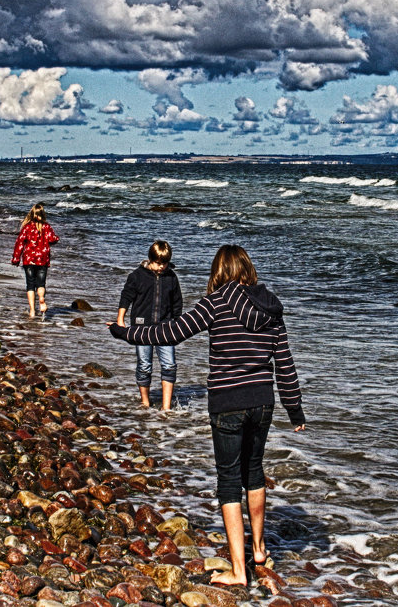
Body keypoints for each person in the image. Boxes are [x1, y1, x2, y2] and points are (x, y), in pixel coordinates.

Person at [109, 244, 305, 585]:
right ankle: (258, 549)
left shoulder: (216, 303)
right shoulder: (272, 307)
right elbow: (285, 363)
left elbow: (169, 332)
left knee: (229, 482)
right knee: (254, 472)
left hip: (228, 401)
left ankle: (239, 571)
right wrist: (295, 408)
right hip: (263, 402)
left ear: (219, 272)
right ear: (248, 268)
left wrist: (125, 333)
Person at [115, 240, 183, 410]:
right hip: (141, 327)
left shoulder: (171, 278)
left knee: (169, 365)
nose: (161, 267)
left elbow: (177, 303)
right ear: (150, 259)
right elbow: (126, 297)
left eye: (164, 263)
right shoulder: (137, 276)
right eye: (158, 263)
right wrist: (120, 319)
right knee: (144, 365)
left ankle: (166, 407)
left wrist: (176, 324)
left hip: (165, 328)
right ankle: (145, 401)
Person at [11, 203, 59, 318]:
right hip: (42, 259)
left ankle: (32, 310)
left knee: (30, 285)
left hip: (29, 259)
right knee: (41, 284)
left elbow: (20, 243)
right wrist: (55, 239)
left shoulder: (27, 227)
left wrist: (16, 258)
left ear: (32, 214)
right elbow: (53, 239)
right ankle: (41, 299)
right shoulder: (46, 227)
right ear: (43, 214)